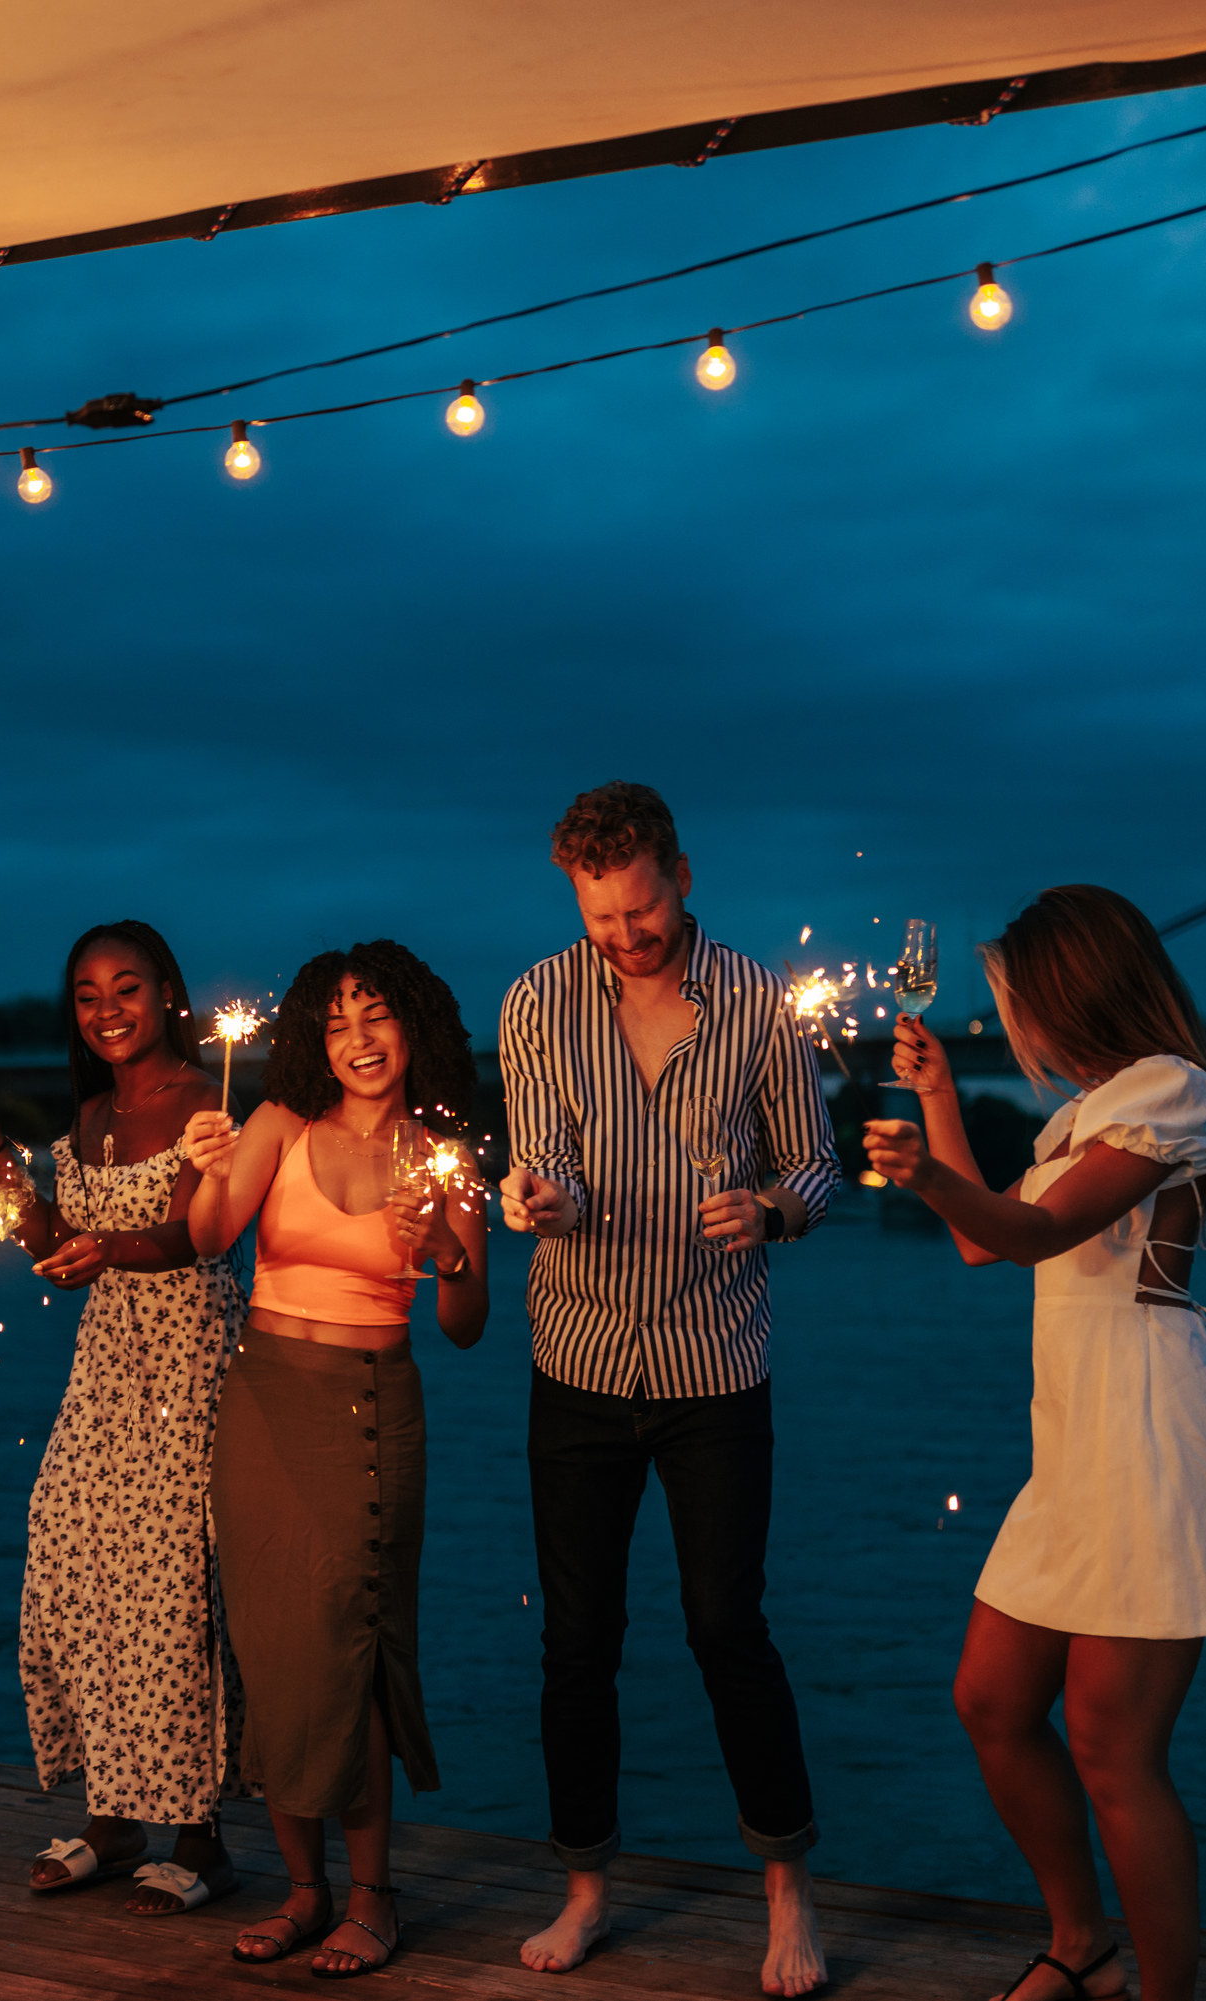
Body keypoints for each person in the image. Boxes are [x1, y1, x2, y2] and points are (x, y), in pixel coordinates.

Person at [860, 884, 1206, 2001]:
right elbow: (981, 1245)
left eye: (1019, 998)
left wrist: (919, 1172)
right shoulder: (1086, 1115)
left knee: (1113, 1748)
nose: (1019, 1024)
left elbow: (1044, 1228)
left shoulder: (1172, 1094)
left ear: (1073, 991)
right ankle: (1079, 1938)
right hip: (1074, 1449)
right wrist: (939, 1103)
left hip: (1153, 1445)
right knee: (993, 1702)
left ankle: (1161, 1994)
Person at [495, 780, 839, 1999]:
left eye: (640, 911)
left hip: (713, 1366)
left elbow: (815, 1164)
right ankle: (586, 1888)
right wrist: (533, 1202)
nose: (625, 937)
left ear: (680, 875)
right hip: (578, 1359)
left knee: (724, 1626)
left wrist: (772, 1209)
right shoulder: (537, 1000)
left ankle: (788, 1890)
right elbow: (546, 1174)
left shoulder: (753, 1003)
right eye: (602, 919)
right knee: (577, 1642)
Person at [179, 941, 490, 1978]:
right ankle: (303, 1895)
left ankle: (373, 1898)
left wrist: (445, 1248)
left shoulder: (448, 1155)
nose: (359, 1040)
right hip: (264, 1401)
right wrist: (207, 1167)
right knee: (275, 1647)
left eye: (378, 1016)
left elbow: (465, 1323)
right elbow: (208, 1234)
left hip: (370, 1410)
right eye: (339, 1022)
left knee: (348, 1647)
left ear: (416, 1027)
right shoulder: (275, 1124)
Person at [0, 920, 246, 1914]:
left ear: (169, 997)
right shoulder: (89, 1118)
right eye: (87, 994)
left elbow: (187, 1239)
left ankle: (200, 1838)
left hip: (193, 1366)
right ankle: (114, 1821)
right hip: (105, 1373)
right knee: (73, 1565)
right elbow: (59, 1246)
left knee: (177, 1589)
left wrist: (105, 1251)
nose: (107, 1010)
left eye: (128, 989)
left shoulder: (211, 1103)